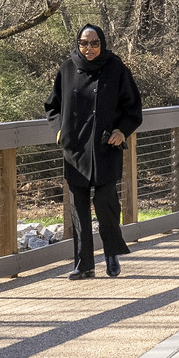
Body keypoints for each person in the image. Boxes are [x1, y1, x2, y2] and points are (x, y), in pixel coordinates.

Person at [44, 23, 144, 280]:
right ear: (77, 44)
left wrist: (121, 130)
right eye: (84, 43)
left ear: (103, 43)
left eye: (94, 43)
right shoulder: (67, 69)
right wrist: (59, 132)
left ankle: (111, 253)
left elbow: (133, 108)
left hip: (105, 146)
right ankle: (84, 263)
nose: (89, 48)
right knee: (78, 207)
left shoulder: (117, 69)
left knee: (105, 202)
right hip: (75, 148)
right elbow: (52, 107)